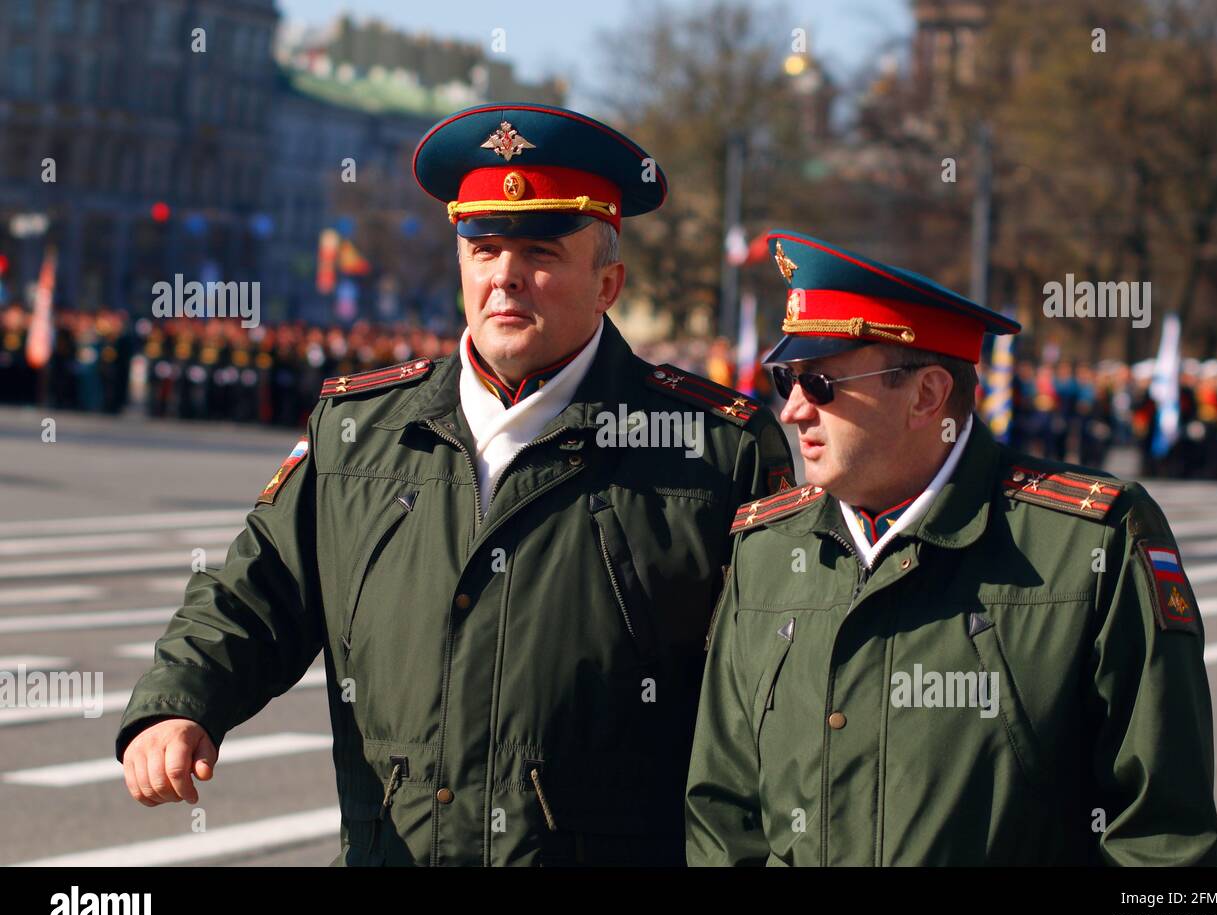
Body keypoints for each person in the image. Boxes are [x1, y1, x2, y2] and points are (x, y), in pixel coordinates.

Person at [115, 103, 793, 866]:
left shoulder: (713, 451)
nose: (505, 277)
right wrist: (180, 703)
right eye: (484, 249)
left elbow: (763, 706)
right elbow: (256, 593)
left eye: (540, 252)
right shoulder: (360, 430)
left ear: (607, 283)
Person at [685, 230, 1217, 866]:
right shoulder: (768, 548)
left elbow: (1161, 840)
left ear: (927, 395)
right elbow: (724, 814)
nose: (794, 411)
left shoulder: (1090, 542)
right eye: (786, 380)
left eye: (821, 384)